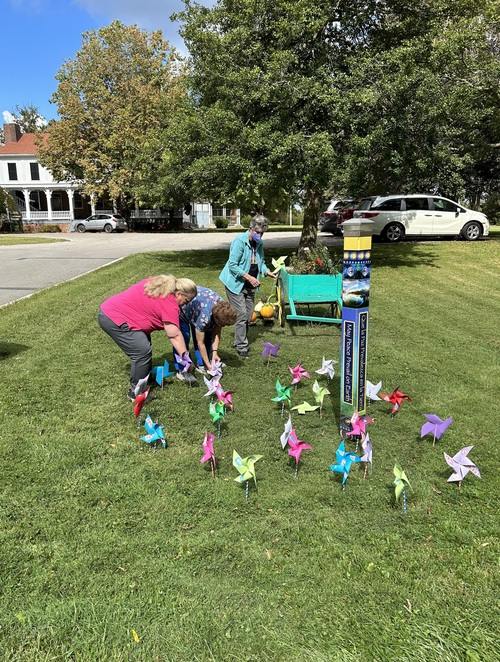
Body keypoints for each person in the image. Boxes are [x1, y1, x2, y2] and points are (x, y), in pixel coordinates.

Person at [98, 274, 197, 399]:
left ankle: (145, 378)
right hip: (114, 318)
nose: (184, 305)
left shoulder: (161, 284)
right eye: (186, 301)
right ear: (179, 294)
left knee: (143, 345)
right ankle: (136, 393)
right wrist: (187, 359)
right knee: (142, 351)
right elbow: (175, 335)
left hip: (114, 310)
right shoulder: (170, 303)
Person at [219, 215, 276, 357]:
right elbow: (232, 265)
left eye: (262, 233)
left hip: (250, 284)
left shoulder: (259, 244)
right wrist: (249, 277)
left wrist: (266, 271)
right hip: (235, 284)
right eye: (258, 232)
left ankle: (239, 339)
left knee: (249, 315)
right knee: (241, 314)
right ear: (250, 229)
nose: (260, 235)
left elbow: (260, 262)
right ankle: (241, 346)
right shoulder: (239, 241)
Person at [177, 287, 237, 373]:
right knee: (184, 338)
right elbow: (200, 343)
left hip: (200, 306)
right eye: (224, 324)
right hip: (184, 308)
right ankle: (184, 367)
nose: (225, 326)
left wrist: (215, 353)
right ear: (216, 319)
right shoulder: (204, 319)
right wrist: (208, 364)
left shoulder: (223, 307)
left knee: (208, 336)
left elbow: (216, 333)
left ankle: (205, 361)